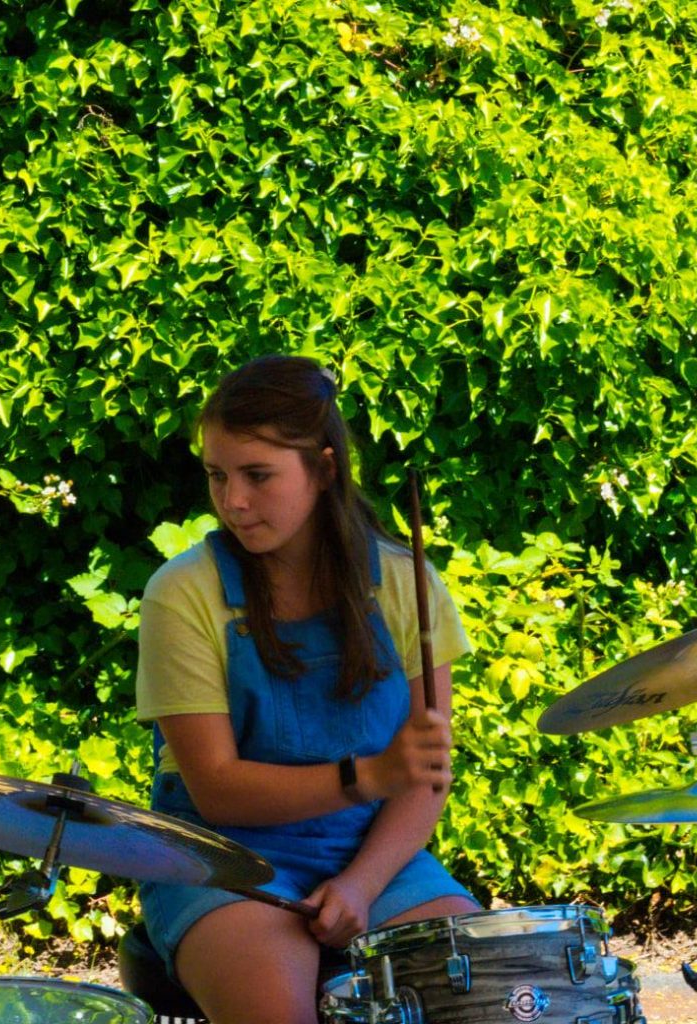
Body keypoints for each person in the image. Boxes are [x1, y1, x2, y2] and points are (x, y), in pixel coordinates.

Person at [135, 354, 480, 1024]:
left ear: (323, 469)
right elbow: (217, 788)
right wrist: (369, 773)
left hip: (374, 854)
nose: (232, 500)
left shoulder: (407, 582)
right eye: (217, 475)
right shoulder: (180, 594)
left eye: (258, 476)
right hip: (224, 862)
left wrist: (362, 882)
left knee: (480, 999)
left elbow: (426, 775)